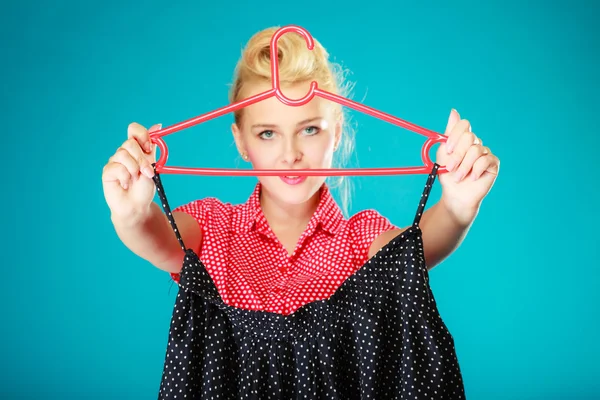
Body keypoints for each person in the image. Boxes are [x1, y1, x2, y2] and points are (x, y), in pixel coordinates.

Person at [102, 27, 499, 398]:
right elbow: (154, 236)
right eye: (267, 133)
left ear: (337, 131)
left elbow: (416, 249)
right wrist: (131, 211)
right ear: (241, 141)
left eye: (309, 129)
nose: (290, 155)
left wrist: (458, 206)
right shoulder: (212, 229)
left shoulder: (361, 238)